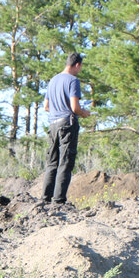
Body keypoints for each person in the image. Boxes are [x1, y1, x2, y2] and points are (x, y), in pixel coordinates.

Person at [40, 52, 91, 207]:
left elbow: (46, 106)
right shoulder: (73, 81)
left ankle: (45, 198)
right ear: (77, 65)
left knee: (52, 161)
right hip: (67, 123)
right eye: (80, 67)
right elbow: (75, 107)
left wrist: (58, 109)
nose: (79, 70)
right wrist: (84, 113)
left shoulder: (53, 80)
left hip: (53, 124)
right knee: (66, 161)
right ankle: (59, 200)